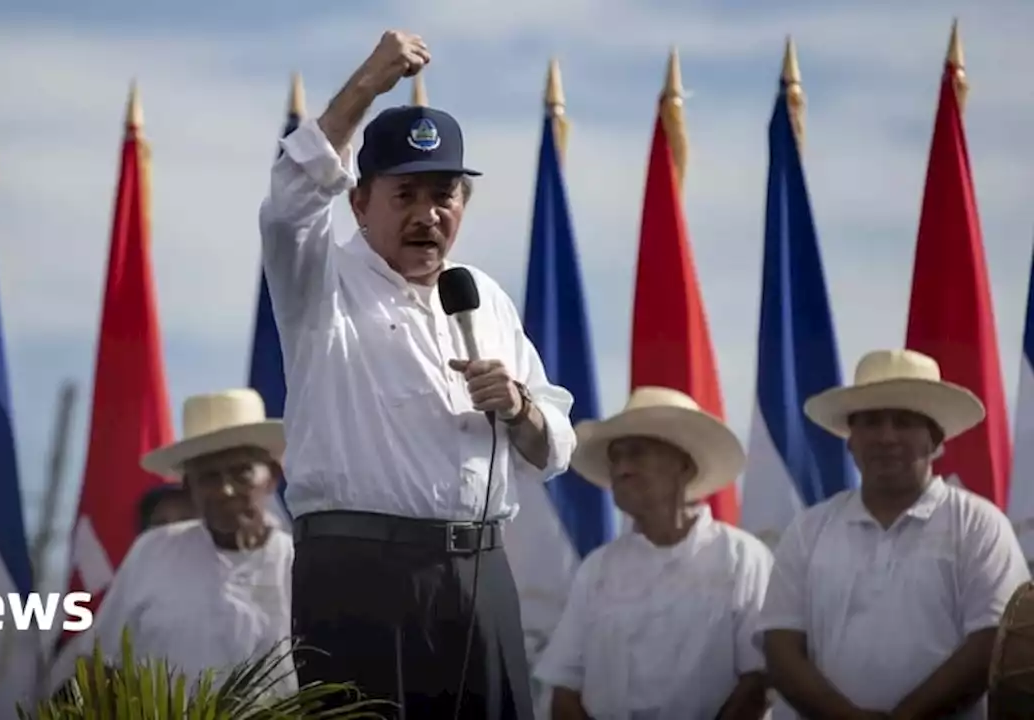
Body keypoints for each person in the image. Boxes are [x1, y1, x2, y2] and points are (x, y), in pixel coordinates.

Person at [259, 29, 576, 719]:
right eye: (405, 195)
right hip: (358, 578)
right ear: (359, 202)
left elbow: (556, 446)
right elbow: (289, 199)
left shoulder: (483, 295)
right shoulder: (322, 279)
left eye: (444, 195)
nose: (427, 215)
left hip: (480, 576)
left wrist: (520, 408)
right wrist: (368, 83)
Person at [758, 349, 1031, 719]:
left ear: (935, 440)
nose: (886, 437)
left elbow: (993, 642)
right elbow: (781, 646)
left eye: (903, 421)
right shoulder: (808, 530)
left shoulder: (979, 524)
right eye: (870, 422)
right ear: (850, 440)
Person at [536, 387, 773, 720]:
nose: (621, 468)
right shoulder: (597, 569)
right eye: (615, 457)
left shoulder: (742, 558)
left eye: (636, 453)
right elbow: (563, 687)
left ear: (684, 466)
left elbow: (758, 681)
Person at [73, 389, 296, 697]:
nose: (226, 490)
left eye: (241, 473)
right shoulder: (153, 552)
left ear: (271, 476)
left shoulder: (300, 563)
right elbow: (99, 665)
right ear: (189, 487)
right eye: (209, 477)